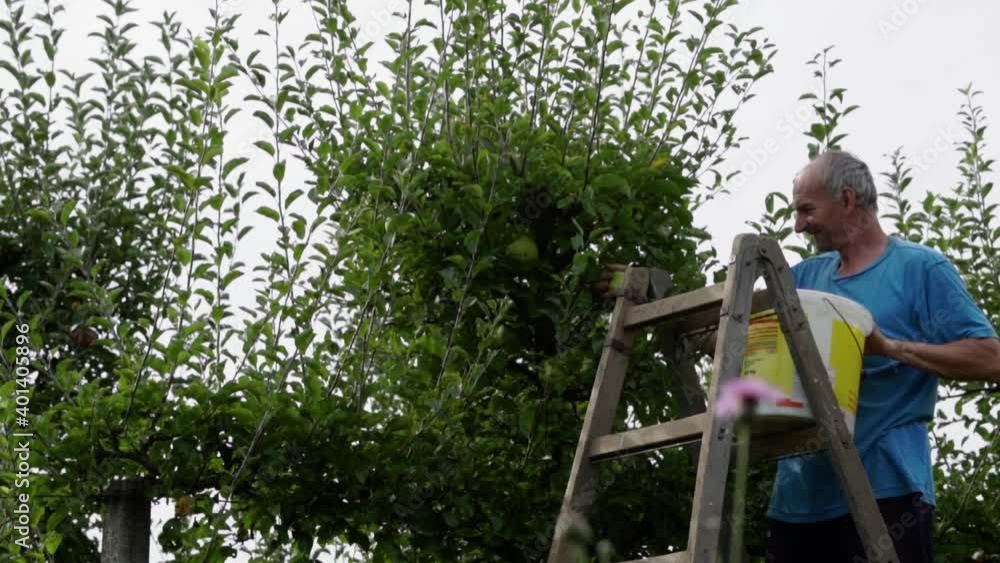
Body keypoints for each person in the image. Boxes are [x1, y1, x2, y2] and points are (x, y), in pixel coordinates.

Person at [596, 150, 1000, 562]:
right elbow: (731, 334)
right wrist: (654, 304)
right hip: (799, 501)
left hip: (886, 491)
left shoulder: (920, 269)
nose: (798, 224)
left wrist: (891, 348)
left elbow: (991, 358)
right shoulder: (804, 278)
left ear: (847, 200)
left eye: (807, 210)